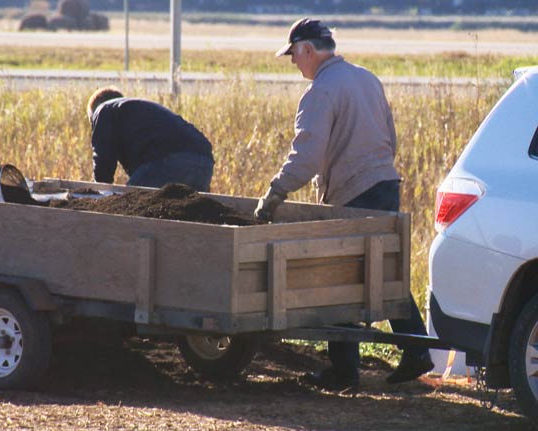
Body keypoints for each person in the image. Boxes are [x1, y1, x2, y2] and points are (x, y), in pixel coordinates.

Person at [254, 18, 434, 389]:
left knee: (339, 276)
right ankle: (416, 350)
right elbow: (391, 137)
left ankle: (343, 370)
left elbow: (306, 156)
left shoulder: (320, 91)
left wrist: (275, 192)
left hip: (355, 193)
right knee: (384, 270)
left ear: (307, 49)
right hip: (385, 183)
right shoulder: (366, 77)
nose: (293, 63)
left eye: (293, 55)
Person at [86, 87, 215, 192]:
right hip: (204, 163)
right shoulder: (137, 111)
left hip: (171, 161)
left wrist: (99, 194)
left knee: (131, 205)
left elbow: (103, 161)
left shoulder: (103, 110)